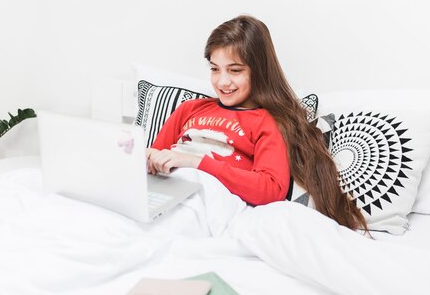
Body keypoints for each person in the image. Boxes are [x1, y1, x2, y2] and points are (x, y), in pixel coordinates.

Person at [146, 15, 368, 231]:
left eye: (235, 70)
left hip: (208, 199)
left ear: (259, 71)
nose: (222, 81)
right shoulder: (190, 109)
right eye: (215, 69)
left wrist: (195, 162)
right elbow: (154, 157)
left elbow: (271, 189)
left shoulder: (268, 121)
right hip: (163, 193)